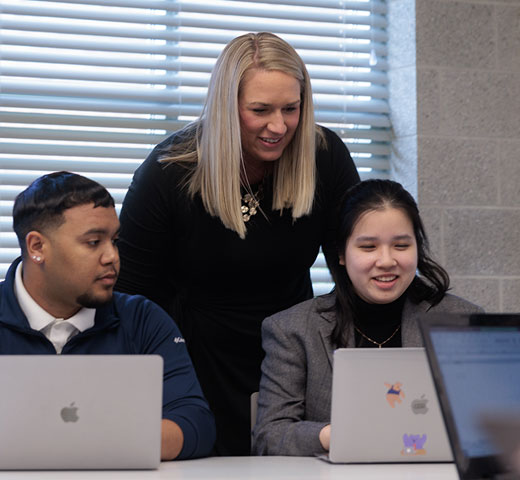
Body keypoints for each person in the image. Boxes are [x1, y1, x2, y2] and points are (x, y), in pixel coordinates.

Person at [115, 32, 360, 455]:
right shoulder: (169, 171)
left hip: (289, 357)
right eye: (260, 110)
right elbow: (130, 298)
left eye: (291, 109)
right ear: (226, 107)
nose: (278, 126)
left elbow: (353, 263)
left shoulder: (324, 155)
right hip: (196, 360)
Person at [252, 179, 484, 456]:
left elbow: (489, 423)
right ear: (341, 253)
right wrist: (339, 435)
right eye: (368, 247)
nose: (386, 261)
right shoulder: (293, 329)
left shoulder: (462, 321)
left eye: (401, 245)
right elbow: (269, 436)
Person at [0, 171, 216, 461]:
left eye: (114, 240)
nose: (112, 256)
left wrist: (78, 440)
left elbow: (196, 425)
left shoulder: (142, 319)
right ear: (37, 247)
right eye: (93, 242)